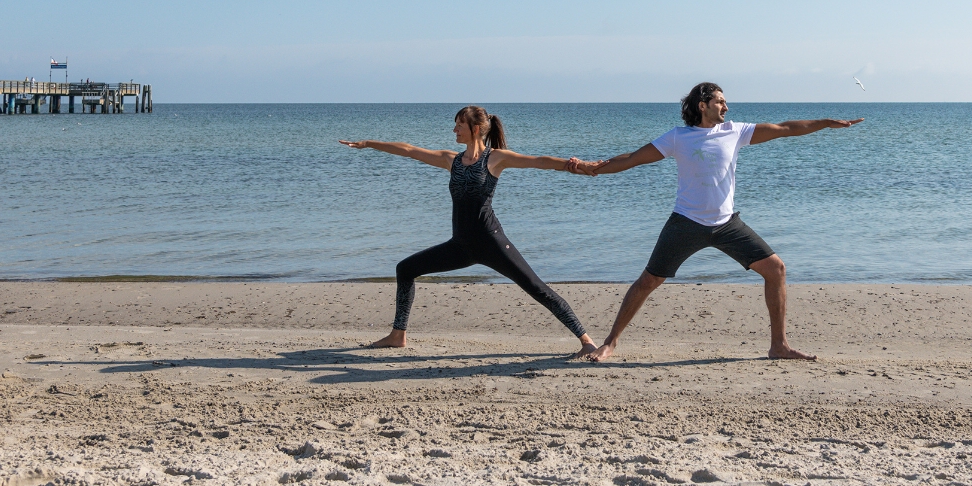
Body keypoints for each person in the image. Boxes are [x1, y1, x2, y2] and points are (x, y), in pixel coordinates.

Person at [575, 82, 863, 362]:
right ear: (703, 106)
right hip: (686, 223)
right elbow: (633, 158)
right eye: (720, 101)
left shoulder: (734, 132)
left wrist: (824, 123)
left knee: (775, 269)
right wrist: (595, 169)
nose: (726, 106)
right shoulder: (678, 137)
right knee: (649, 280)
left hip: (727, 225)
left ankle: (779, 345)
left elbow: (784, 129)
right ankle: (610, 342)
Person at [339, 105, 598, 355]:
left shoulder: (495, 158)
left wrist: (574, 164)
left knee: (536, 287)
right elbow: (409, 150)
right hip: (460, 246)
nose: (454, 130)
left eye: (459, 125)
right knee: (405, 269)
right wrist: (368, 143)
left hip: (491, 243)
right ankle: (398, 335)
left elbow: (538, 161)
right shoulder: (451, 160)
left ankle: (586, 341)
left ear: (475, 128)